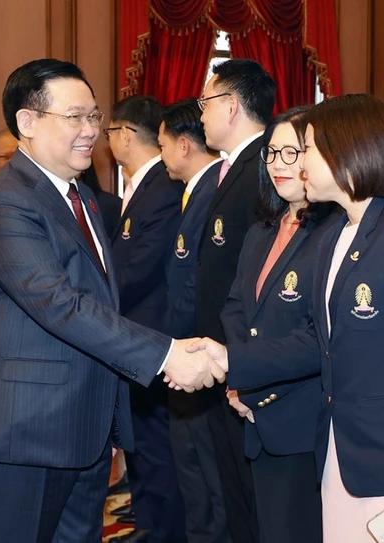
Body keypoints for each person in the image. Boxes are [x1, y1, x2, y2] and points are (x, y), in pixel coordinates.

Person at [0, 58, 223, 543]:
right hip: (25, 434)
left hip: (86, 427)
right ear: (27, 123)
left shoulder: (83, 199)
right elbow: (60, 304)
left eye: (93, 117)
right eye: (73, 117)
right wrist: (167, 354)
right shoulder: (2, 201)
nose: (89, 131)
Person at [187, 94, 384, 543]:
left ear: (347, 151)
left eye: (309, 150)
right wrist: (228, 359)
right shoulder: (339, 233)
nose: (299, 166)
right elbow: (318, 341)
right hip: (338, 452)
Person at [223, 106, 337, 543]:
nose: (280, 165)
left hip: (302, 416)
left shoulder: (333, 232)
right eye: (272, 153)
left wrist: (249, 379)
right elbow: (235, 308)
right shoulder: (262, 230)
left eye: (294, 152)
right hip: (253, 411)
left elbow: (319, 335)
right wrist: (239, 379)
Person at [196, 58, 276, 543]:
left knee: (254, 495)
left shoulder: (266, 166)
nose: (199, 114)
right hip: (221, 356)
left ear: (230, 107)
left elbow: (261, 279)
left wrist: (243, 363)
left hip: (244, 363)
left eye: (205, 103)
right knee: (235, 493)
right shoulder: (229, 169)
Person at [105, 95, 186, 543]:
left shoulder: (163, 187)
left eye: (109, 132)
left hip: (152, 333)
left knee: (155, 446)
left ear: (127, 134)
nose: (106, 141)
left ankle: (164, 531)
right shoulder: (142, 184)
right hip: (131, 333)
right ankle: (150, 524)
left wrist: (93, 300)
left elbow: (142, 266)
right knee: (140, 442)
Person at [159, 98, 230, 543]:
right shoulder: (195, 192)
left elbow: (197, 286)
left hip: (198, 356)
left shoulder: (212, 192)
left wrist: (177, 352)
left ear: (184, 146)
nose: (162, 153)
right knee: (193, 474)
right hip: (186, 353)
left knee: (207, 478)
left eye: (163, 144)